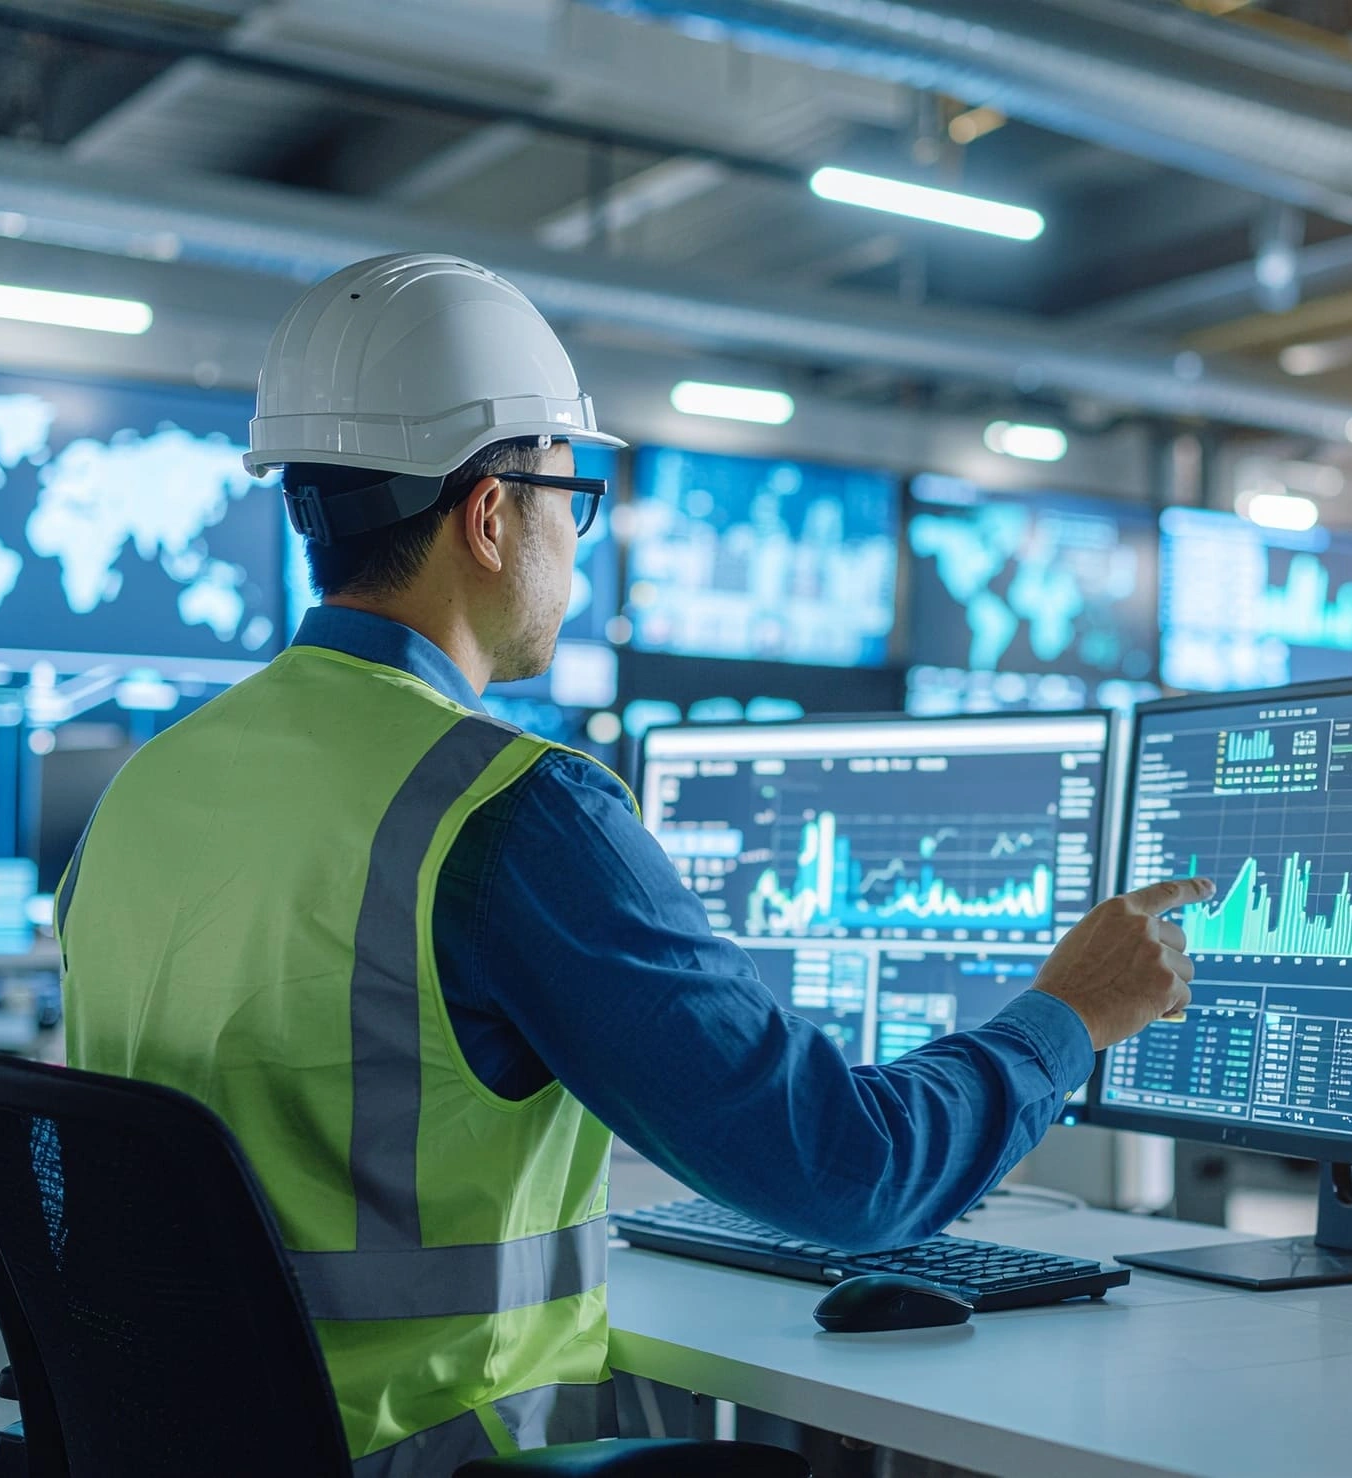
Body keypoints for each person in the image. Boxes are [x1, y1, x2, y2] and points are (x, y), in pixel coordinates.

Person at [59, 252, 1213, 1476]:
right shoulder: (506, 808)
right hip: (433, 1452)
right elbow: (846, 1170)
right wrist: (1067, 1013)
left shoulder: (146, 787)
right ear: (491, 514)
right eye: (575, 492)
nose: (582, 537)